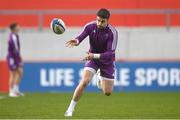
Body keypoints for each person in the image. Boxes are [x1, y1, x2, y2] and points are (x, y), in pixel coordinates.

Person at [65, 8, 118, 117]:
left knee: (107, 92)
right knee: (85, 81)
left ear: (108, 21)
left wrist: (93, 55)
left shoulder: (113, 32)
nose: (99, 23)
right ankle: (70, 109)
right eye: (98, 20)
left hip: (106, 61)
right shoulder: (90, 26)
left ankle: (100, 76)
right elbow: (82, 36)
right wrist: (77, 41)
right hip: (93, 59)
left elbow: (110, 54)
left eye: (102, 21)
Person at [7, 23, 24, 97]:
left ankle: (16, 90)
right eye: (18, 26)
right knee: (13, 74)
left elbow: (17, 49)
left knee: (20, 72)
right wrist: (18, 59)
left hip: (16, 57)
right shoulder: (12, 37)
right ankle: (11, 91)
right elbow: (14, 49)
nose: (19, 27)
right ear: (14, 28)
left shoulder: (16, 36)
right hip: (12, 58)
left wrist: (19, 57)